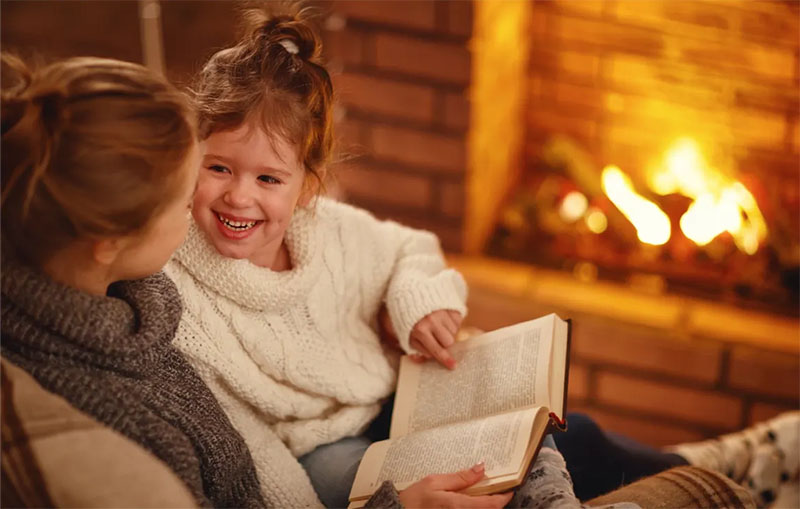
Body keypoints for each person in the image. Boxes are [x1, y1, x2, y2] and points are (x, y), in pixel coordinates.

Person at [164, 3, 470, 507]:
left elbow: (411, 249)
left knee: (552, 430)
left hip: (395, 402)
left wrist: (416, 300)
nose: (240, 197)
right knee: (432, 474)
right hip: (314, 456)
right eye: (218, 168)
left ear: (307, 187)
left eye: (268, 178)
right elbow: (247, 448)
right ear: (191, 154)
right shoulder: (180, 291)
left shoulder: (329, 230)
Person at [0, 52, 265, 508]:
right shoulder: (113, 420)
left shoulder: (111, 310)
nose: (197, 205)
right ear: (110, 241)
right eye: (184, 204)